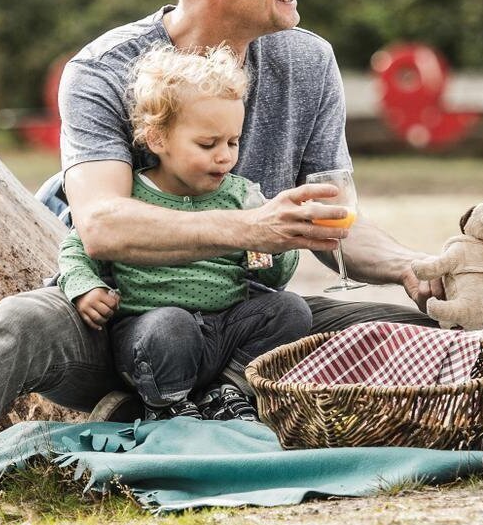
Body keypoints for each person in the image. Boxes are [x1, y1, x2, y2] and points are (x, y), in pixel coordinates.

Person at [0, 0, 438, 523]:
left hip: (239, 323)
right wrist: (251, 226)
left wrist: (413, 266)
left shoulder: (309, 62)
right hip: (117, 314)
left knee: (415, 334)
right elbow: (102, 225)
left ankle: (180, 407)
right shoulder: (105, 69)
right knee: (25, 320)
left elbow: (333, 222)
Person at [58, 42, 312, 422]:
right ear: (158, 139)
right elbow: (76, 248)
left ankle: (229, 391)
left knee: (291, 310)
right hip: (150, 333)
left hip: (226, 329)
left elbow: (275, 278)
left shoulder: (241, 196)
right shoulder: (134, 196)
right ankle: (168, 404)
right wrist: (85, 288)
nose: (225, 156)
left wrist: (268, 247)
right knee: (172, 324)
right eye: (208, 144)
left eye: (233, 141)